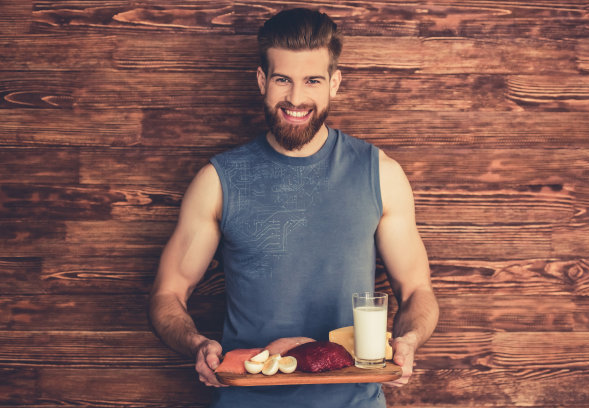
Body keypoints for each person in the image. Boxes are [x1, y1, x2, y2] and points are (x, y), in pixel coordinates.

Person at [149, 7, 439, 408]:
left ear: (334, 84)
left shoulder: (381, 174)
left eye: (312, 81)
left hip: (353, 400)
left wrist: (408, 341)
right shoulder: (217, 180)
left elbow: (417, 290)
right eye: (283, 80)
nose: (296, 98)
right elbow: (169, 293)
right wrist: (196, 344)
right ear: (262, 80)